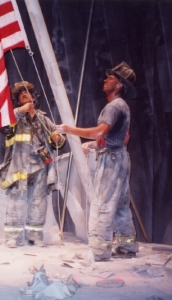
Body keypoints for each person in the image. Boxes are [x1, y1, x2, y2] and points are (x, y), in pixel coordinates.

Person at [55, 61, 139, 261]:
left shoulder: (114, 106)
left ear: (119, 85)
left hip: (111, 161)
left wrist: (70, 130)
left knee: (102, 203)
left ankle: (99, 252)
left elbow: (100, 131)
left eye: (110, 78)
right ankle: (128, 248)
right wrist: (93, 145)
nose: (105, 80)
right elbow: (113, 138)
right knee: (120, 205)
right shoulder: (122, 106)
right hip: (119, 156)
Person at [0, 81, 65, 248]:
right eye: (20, 94)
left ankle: (34, 236)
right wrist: (20, 111)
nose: (24, 95)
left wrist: (57, 138)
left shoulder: (43, 118)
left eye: (27, 92)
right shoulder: (13, 117)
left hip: (40, 167)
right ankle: (13, 237)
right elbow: (3, 126)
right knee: (16, 201)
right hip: (19, 166)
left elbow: (59, 139)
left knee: (38, 202)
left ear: (34, 97)